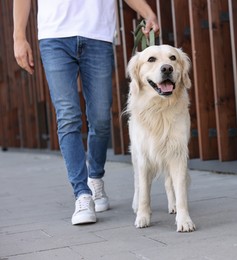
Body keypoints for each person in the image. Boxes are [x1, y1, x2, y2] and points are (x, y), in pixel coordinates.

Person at [13, 0, 159, 225]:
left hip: (97, 34)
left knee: (100, 118)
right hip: (54, 36)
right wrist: (19, 37)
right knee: (68, 115)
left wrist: (147, 12)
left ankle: (95, 178)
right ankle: (82, 194)